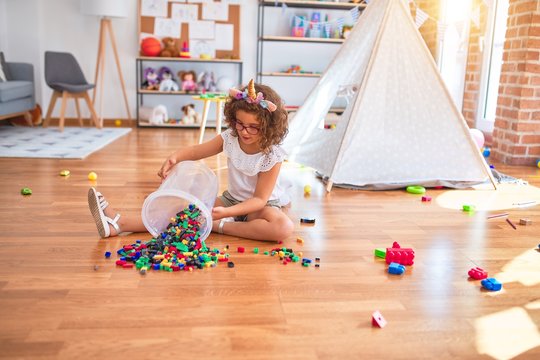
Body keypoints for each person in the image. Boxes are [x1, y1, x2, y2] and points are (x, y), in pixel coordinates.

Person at [88, 79, 294, 242]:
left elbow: (258, 200)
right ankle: (120, 224)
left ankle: (219, 227)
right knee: (180, 210)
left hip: (260, 207)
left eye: (253, 127)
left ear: (268, 127)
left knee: (283, 227)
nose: (244, 131)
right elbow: (197, 151)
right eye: (240, 123)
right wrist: (174, 157)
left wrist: (225, 215)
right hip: (231, 199)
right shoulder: (231, 138)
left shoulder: (272, 155)